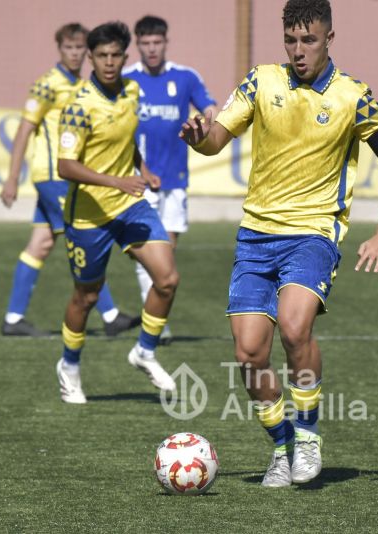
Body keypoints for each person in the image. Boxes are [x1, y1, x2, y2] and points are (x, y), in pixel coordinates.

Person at [179, 0, 378, 487]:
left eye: (309, 40)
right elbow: (216, 139)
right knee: (248, 353)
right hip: (255, 236)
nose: (299, 50)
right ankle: (282, 446)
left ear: (330, 38)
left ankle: (307, 436)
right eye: (291, 40)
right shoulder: (261, 81)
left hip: (313, 234)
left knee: (293, 326)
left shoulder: (353, 96)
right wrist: (198, 137)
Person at [55, 21, 179, 404]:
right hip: (88, 216)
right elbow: (65, 166)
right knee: (86, 298)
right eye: (102, 55)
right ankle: (69, 366)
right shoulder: (78, 107)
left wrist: (140, 169)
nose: (109, 62)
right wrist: (117, 181)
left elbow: (126, 142)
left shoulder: (132, 90)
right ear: (91, 58)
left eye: (115, 55)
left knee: (167, 278)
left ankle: (144, 351)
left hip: (130, 206)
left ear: (125, 57)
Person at [0, 22, 137, 337]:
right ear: (60, 50)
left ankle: (12, 318)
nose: (74, 54)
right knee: (84, 236)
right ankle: (111, 315)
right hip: (53, 176)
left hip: (60, 178)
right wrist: (11, 178)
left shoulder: (82, 84)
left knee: (40, 244)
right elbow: (24, 131)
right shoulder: (48, 85)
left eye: (78, 49)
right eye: (68, 48)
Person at [122, 15, 217, 345]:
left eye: (156, 43)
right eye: (145, 43)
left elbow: (211, 109)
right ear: (138, 45)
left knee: (167, 254)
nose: (151, 49)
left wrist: (207, 123)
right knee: (147, 251)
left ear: (165, 42)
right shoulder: (125, 79)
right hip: (138, 181)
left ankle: (156, 318)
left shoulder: (185, 77)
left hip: (175, 181)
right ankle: (157, 324)